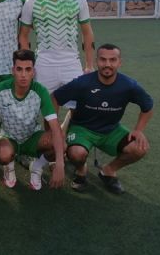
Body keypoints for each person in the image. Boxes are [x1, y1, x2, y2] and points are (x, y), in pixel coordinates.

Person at [53, 44, 154, 194]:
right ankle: (81, 169)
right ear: (96, 61)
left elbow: (148, 106)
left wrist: (139, 130)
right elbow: (55, 98)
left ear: (120, 62)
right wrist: (57, 130)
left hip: (111, 130)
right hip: (82, 129)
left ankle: (109, 170)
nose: (107, 64)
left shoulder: (129, 86)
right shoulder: (83, 83)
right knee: (76, 153)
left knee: (140, 148)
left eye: (113, 60)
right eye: (103, 59)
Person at [19, 0, 95, 104]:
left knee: (78, 107)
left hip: (71, 63)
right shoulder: (30, 3)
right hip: (44, 65)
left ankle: (68, 121)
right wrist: (29, 65)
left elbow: (87, 33)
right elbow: (23, 36)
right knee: (48, 107)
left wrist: (89, 65)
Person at [0, 50, 66, 190]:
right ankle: (8, 166)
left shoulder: (41, 91)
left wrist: (60, 163)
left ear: (33, 72)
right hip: (7, 136)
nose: (23, 74)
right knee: (3, 155)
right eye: (19, 69)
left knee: (61, 145)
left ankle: (37, 166)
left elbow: (55, 128)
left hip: (32, 136)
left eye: (28, 69)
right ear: (13, 71)